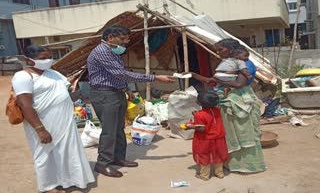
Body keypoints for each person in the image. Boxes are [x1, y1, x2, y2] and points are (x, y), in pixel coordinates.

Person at [87, 26, 175, 178]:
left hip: (116, 93)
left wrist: (126, 90)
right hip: (105, 95)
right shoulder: (102, 52)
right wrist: (155, 77)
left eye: (127, 39)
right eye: (122, 39)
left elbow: (116, 76)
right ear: (110, 38)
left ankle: (118, 158)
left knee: (119, 128)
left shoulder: (112, 52)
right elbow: (121, 73)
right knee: (109, 131)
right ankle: (103, 164)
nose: (126, 42)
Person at [12, 44, 95, 193]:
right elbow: (25, 105)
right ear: (28, 60)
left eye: (49, 57)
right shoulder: (23, 76)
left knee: (68, 151)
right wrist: (40, 129)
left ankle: (71, 180)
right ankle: (49, 186)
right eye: (43, 58)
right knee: (45, 154)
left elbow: (67, 90)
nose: (48, 60)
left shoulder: (53, 73)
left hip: (64, 122)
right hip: (42, 123)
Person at [188, 38, 266, 174]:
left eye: (221, 49)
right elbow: (212, 80)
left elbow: (239, 84)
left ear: (231, 49)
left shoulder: (245, 64)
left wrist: (220, 82)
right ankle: (232, 164)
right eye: (217, 50)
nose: (218, 53)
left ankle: (248, 165)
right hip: (229, 99)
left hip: (241, 101)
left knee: (243, 132)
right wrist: (193, 75)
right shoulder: (228, 63)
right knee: (231, 133)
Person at [182, 91, 229, 181]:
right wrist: (196, 114)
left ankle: (205, 175)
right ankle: (220, 173)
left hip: (205, 139)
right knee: (218, 155)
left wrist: (189, 126)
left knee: (204, 156)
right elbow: (209, 118)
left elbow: (202, 128)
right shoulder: (217, 110)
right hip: (219, 138)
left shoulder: (200, 115)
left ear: (200, 103)